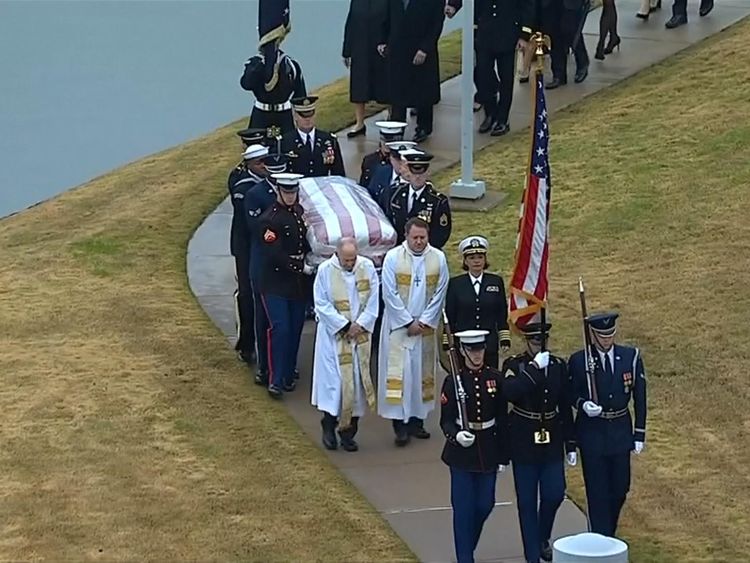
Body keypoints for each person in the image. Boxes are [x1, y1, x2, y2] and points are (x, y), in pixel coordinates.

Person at [568, 312, 647, 537]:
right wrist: (583, 404)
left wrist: (639, 433)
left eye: (610, 335)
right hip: (592, 433)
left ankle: (607, 532)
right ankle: (602, 538)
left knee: (621, 488)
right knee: (597, 492)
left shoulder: (630, 357)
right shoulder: (579, 360)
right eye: (602, 336)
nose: (606, 340)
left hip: (620, 431)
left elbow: (640, 396)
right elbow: (569, 394)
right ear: (593, 335)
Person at [502, 322, 576, 563]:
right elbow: (510, 392)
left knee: (555, 493)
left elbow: (564, 406)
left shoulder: (557, 366)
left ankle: (541, 537)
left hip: (552, 437)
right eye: (535, 342)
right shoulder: (515, 365)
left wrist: (571, 443)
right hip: (524, 438)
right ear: (526, 342)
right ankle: (531, 555)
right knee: (526, 501)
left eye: (543, 341)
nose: (540, 346)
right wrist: (534, 369)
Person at [377, 217, 449, 446]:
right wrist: (408, 322)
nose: (419, 242)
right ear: (406, 236)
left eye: (423, 238)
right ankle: (400, 425)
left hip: (425, 328)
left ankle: (418, 420)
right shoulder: (393, 257)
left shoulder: (438, 258)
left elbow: (440, 292)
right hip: (399, 327)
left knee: (421, 374)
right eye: (415, 237)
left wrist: (426, 321)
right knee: (401, 374)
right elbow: (389, 293)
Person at [440, 329, 509, 563]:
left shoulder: (495, 378)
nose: (477, 355)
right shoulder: (453, 381)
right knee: (463, 510)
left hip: (488, 449)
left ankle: (466, 547)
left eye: (480, 349)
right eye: (472, 350)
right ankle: (465, 558)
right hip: (461, 454)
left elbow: (502, 418)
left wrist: (503, 455)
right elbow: (446, 420)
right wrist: (456, 435)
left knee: (485, 505)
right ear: (462, 351)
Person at [312, 238, 380, 451]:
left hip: (359, 337)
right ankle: (329, 426)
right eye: (346, 260)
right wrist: (343, 325)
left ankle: (349, 433)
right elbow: (321, 303)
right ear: (337, 255)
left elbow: (374, 298)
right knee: (337, 385)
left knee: (357, 386)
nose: (350, 264)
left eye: (352, 260)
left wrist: (360, 324)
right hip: (334, 339)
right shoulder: (325, 270)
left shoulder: (366, 266)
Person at [257, 172, 315, 398]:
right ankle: (276, 378)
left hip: (297, 284)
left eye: (293, 192)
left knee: (295, 328)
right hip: (275, 283)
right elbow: (274, 254)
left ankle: (289, 372)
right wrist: (300, 266)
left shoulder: (299, 214)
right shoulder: (269, 220)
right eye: (286, 192)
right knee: (280, 329)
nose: (290, 196)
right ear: (279, 192)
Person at [445, 0, 522, 137]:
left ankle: (502, 119)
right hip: (485, 31)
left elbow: (527, 5)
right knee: (483, 74)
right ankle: (490, 113)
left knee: (506, 78)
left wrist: (524, 35)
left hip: (508, 30)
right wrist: (453, 4)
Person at [244, 154, 290, 386]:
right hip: (264, 266)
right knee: (263, 320)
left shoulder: (293, 191)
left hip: (287, 269)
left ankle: (283, 368)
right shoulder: (256, 195)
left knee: (287, 322)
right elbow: (258, 231)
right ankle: (264, 366)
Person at [228, 142, 270, 365]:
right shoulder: (243, 187)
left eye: (266, 161)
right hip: (246, 247)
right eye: (260, 163)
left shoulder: (269, 183)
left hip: (263, 247)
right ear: (250, 165)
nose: (265, 166)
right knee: (247, 295)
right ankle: (246, 343)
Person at [384, 0, 445, 143]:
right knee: (398, 92)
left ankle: (423, 127)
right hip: (398, 50)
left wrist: (425, 48)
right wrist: (383, 41)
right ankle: (397, 127)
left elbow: (436, 23)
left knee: (423, 91)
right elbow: (387, 18)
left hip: (421, 50)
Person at [445, 236, 511, 370]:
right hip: (464, 345)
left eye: (480, 257)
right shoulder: (456, 284)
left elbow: (501, 312)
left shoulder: (495, 282)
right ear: (465, 260)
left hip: (489, 344)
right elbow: (450, 315)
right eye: (472, 258)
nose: (476, 261)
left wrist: (504, 337)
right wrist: (448, 342)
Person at [342, 0, 390, 138]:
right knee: (359, 87)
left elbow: (393, 22)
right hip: (360, 48)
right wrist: (346, 50)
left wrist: (388, 44)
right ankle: (360, 123)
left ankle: (391, 118)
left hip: (380, 49)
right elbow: (350, 24)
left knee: (385, 84)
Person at [385, 151, 451, 249]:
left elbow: (441, 233)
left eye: (421, 172)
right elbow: (388, 220)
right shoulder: (395, 194)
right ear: (408, 172)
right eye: (414, 172)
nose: (417, 177)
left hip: (425, 251)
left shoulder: (437, 201)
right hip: (399, 249)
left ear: (428, 172)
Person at [240, 49, 307, 138]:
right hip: (260, 115)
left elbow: (300, 95)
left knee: (289, 147)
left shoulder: (290, 64)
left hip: (284, 116)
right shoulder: (255, 63)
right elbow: (246, 84)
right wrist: (258, 68)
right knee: (255, 147)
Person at [281, 96, 346, 178]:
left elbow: (339, 174)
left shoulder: (328, 139)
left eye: (310, 115)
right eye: (303, 116)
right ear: (295, 116)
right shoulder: (285, 142)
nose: (308, 119)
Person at [359, 121, 407, 189]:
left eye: (391, 142)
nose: (386, 144)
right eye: (384, 140)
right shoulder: (369, 160)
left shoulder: (403, 162)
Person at [369, 140, 416, 207]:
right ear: (391, 158)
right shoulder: (381, 172)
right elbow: (370, 195)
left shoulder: (416, 179)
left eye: (404, 160)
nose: (401, 163)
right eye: (398, 159)